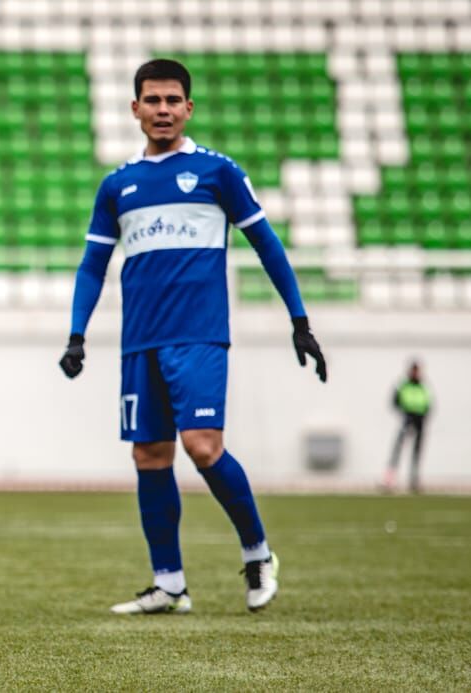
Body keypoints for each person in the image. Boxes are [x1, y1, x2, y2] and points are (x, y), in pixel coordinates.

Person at [58, 59, 327, 614]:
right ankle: (170, 584)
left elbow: (267, 245)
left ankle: (258, 554)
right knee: (150, 455)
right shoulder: (118, 185)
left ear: (188, 108)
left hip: (199, 335)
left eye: (172, 100)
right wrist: (77, 334)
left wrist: (299, 320)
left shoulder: (216, 172)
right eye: (152, 100)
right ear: (135, 108)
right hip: (140, 341)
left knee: (202, 446)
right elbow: (92, 265)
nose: (163, 110)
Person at [383, 360, 431, 493]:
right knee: (397, 450)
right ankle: (389, 480)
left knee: (417, 452)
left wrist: (423, 414)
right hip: (407, 419)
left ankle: (414, 480)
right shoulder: (403, 385)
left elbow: (428, 404)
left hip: (419, 421)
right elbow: (395, 401)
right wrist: (404, 413)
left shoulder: (423, 387)